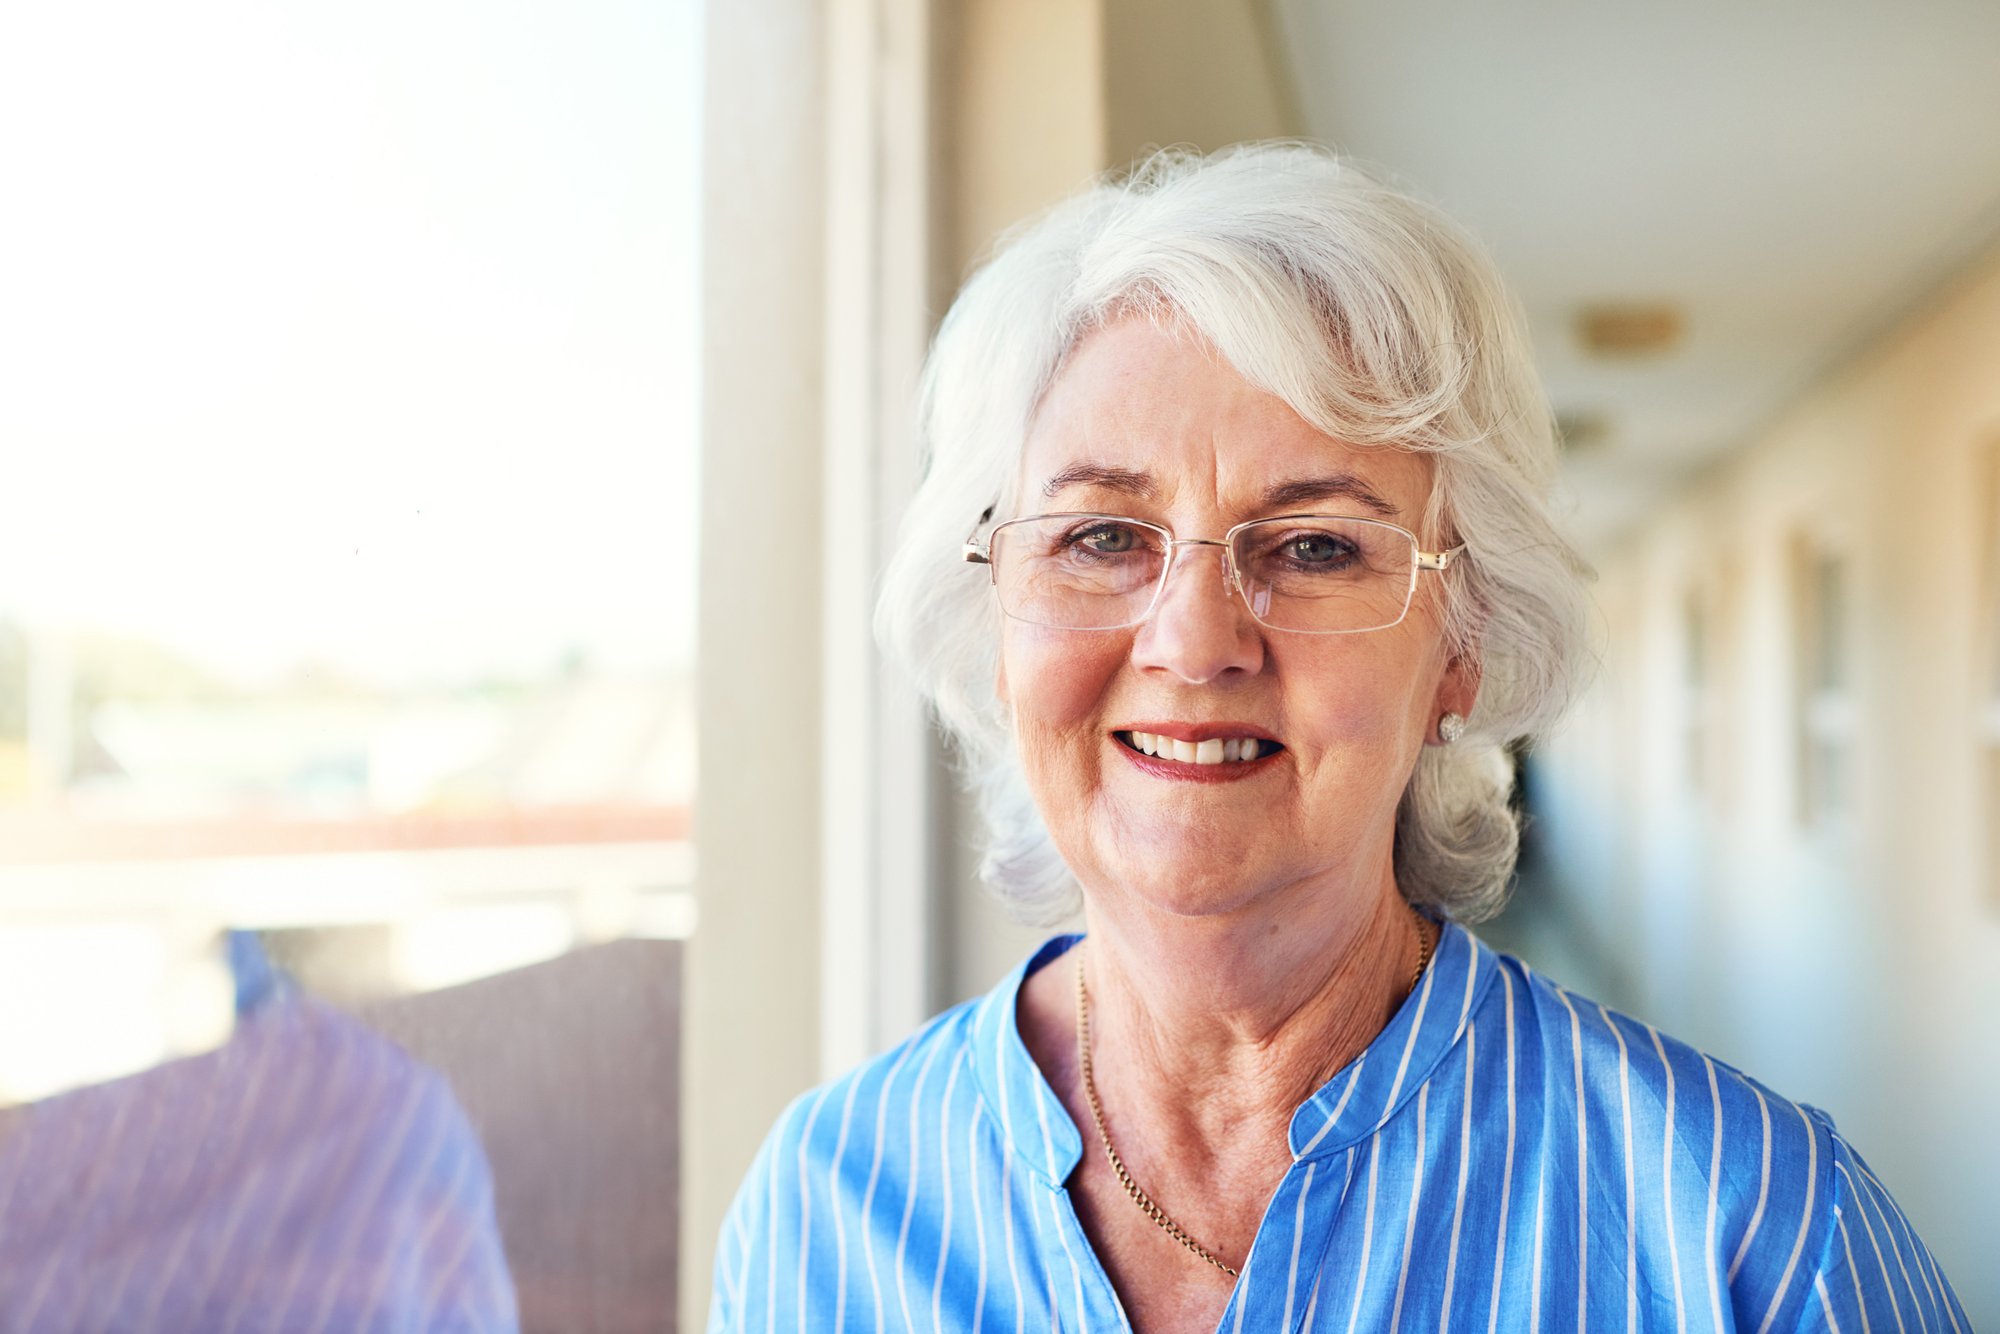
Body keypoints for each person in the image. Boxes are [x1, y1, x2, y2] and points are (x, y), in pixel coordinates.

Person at [708, 144, 1967, 1332]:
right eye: (1100, 537)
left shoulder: (1752, 1239)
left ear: (1459, 648)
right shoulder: (826, 1211)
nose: (1194, 644)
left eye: (1314, 545)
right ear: (992, 612)